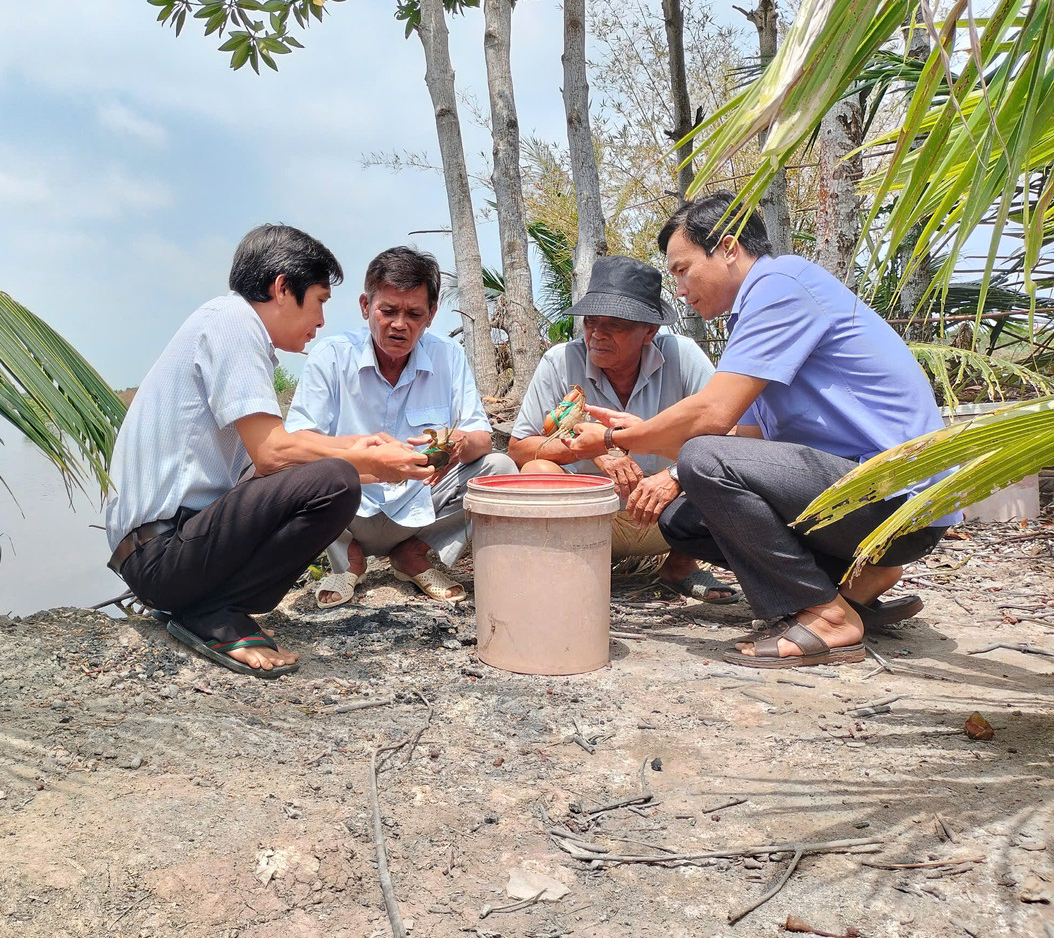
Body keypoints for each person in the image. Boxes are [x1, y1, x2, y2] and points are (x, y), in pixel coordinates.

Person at [574, 192, 957, 668]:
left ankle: (828, 617)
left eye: (682, 269)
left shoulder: (781, 287)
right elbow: (751, 435)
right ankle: (857, 582)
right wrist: (666, 468)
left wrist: (616, 439)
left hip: (898, 500)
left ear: (729, 248)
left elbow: (713, 419)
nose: (679, 288)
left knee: (701, 460)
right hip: (862, 497)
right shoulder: (760, 307)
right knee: (681, 521)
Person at [103, 225, 432, 678]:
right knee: (336, 481)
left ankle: (210, 607)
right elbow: (273, 453)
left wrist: (367, 452)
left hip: (169, 552)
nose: (320, 321)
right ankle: (215, 610)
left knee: (338, 474)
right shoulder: (232, 323)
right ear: (282, 288)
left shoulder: (226, 327)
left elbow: (278, 459)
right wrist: (364, 461)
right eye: (318, 300)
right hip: (161, 557)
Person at [285, 246, 517, 607]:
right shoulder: (331, 356)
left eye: (414, 314)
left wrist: (460, 442)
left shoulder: (449, 356)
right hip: (347, 508)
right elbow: (299, 441)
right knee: (296, 468)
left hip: (422, 503)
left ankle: (414, 554)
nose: (399, 324)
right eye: (388, 311)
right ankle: (349, 559)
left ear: (431, 315)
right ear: (366, 306)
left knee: (500, 470)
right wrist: (362, 458)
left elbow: (482, 439)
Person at [509, 255, 736, 602]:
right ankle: (571, 568)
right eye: (590, 322)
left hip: (667, 517)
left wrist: (675, 476)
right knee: (537, 470)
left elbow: (732, 438)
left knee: (734, 472)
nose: (596, 335)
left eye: (614, 324)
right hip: (588, 520)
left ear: (649, 331)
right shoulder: (559, 362)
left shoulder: (682, 356)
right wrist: (595, 448)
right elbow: (519, 448)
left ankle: (681, 564)